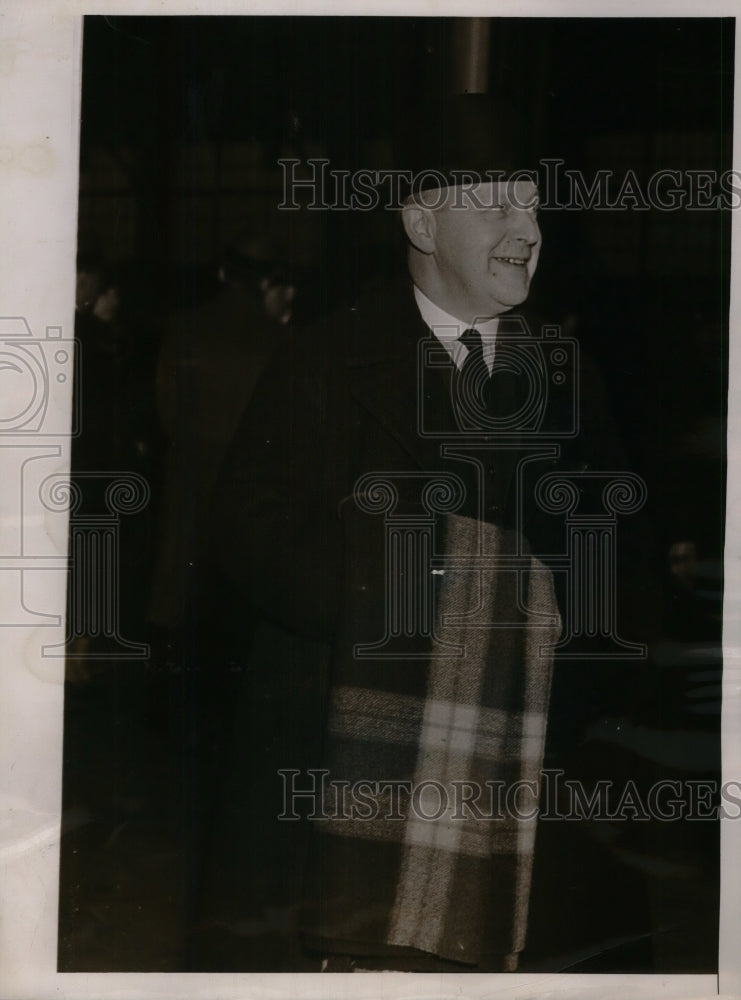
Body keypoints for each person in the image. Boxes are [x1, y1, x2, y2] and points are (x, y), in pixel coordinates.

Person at [206, 95, 661, 973]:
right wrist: (422, 598)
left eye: (531, 205)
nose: (526, 228)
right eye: (496, 205)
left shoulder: (570, 377)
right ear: (420, 220)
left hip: (523, 772)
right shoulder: (325, 360)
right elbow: (248, 533)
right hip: (349, 776)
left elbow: (619, 564)